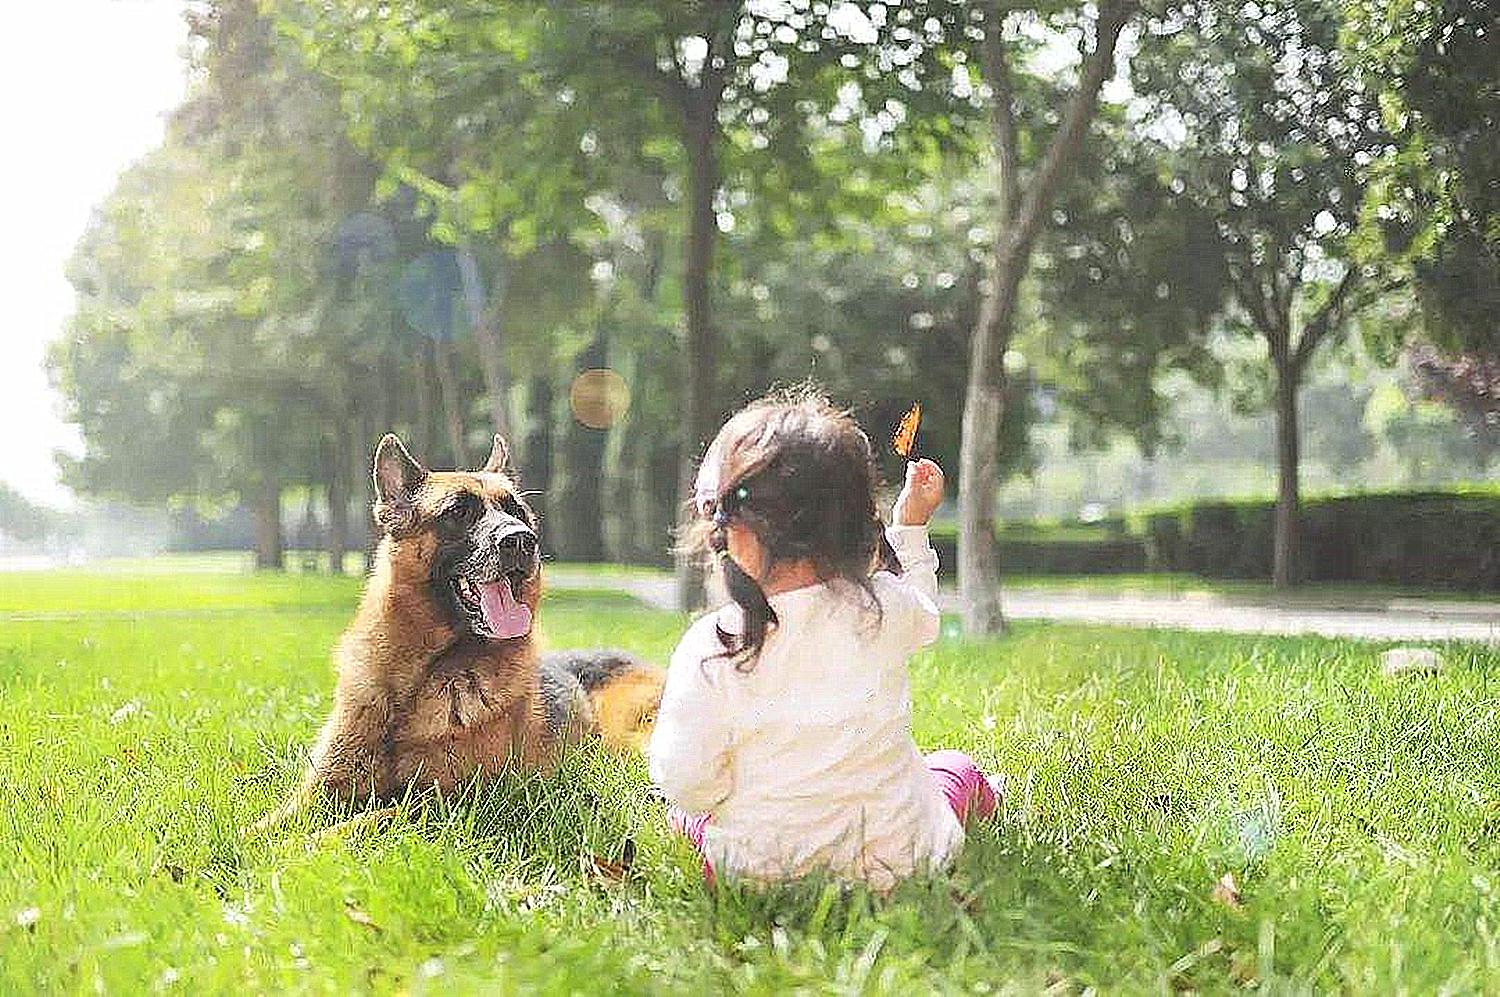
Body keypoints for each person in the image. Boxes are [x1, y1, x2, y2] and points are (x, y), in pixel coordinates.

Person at [647, 389, 999, 891]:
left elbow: (688, 783)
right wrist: (911, 528)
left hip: (764, 871)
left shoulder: (712, 648)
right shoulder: (880, 609)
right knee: (952, 769)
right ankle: (989, 796)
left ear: (734, 532)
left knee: (686, 819)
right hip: (904, 858)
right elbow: (921, 611)